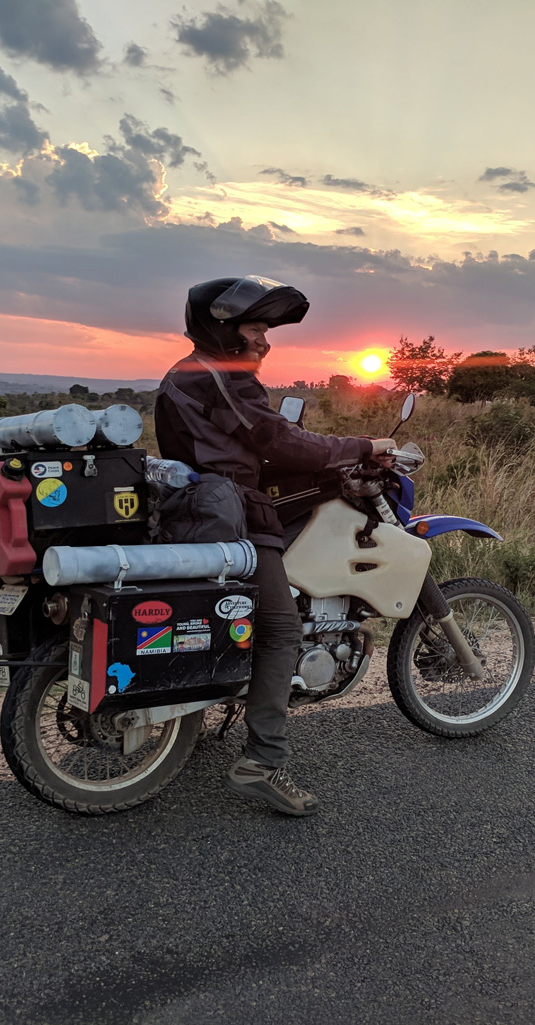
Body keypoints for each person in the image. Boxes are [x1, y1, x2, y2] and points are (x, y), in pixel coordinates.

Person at [155, 275, 397, 815]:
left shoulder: (189, 375)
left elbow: (252, 443)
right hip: (230, 514)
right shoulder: (218, 376)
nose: (265, 341)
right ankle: (261, 762)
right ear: (224, 330)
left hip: (202, 508)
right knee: (280, 628)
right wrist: (363, 444)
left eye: (268, 330)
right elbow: (275, 438)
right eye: (256, 329)